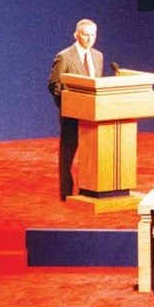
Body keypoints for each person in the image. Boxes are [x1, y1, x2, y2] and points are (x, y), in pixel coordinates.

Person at [48, 19, 103, 200]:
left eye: (93, 35)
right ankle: (66, 193)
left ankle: (88, 190)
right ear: (76, 35)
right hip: (72, 117)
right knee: (67, 158)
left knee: (91, 157)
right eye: (86, 34)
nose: (89, 39)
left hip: (93, 118)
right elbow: (54, 85)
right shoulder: (64, 56)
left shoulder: (98, 56)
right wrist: (67, 107)